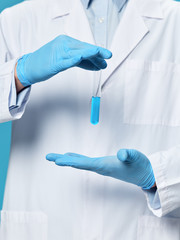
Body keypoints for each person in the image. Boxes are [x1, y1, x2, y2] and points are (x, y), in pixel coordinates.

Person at [0, 0, 180, 239]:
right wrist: (18, 73)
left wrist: (160, 176)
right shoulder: (17, 21)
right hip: (42, 224)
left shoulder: (174, 22)